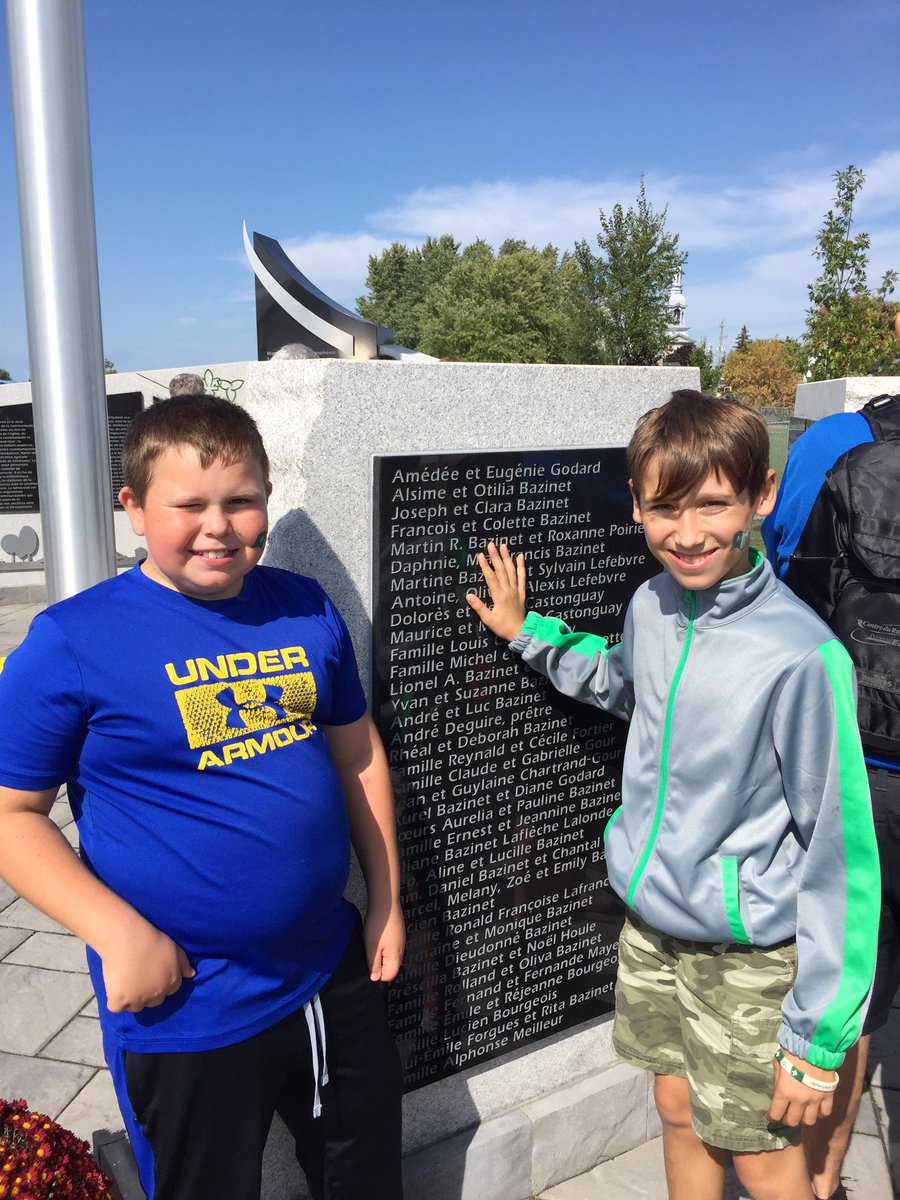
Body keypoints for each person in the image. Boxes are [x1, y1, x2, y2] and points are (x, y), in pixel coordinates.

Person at [467, 390, 879, 1200]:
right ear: (636, 505)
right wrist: (528, 633)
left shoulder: (802, 658)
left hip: (747, 959)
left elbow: (842, 854)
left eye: (714, 505)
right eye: (665, 508)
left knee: (761, 1157)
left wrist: (817, 1037)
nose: (688, 534)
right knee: (677, 1108)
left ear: (761, 496)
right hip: (654, 928)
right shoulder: (652, 603)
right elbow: (623, 681)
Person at [0, 394, 405, 1200]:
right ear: (134, 507)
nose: (218, 527)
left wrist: (388, 899)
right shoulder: (73, 640)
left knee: (364, 1178)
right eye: (189, 505)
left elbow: (357, 752)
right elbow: (13, 817)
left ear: (266, 499)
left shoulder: (302, 605)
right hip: (186, 1004)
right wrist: (118, 933)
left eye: (241, 501)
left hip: (324, 973)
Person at [763, 317, 900, 1200]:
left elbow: (789, 588)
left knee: (849, 995)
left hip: (864, 775)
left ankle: (818, 1186)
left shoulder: (837, 445)